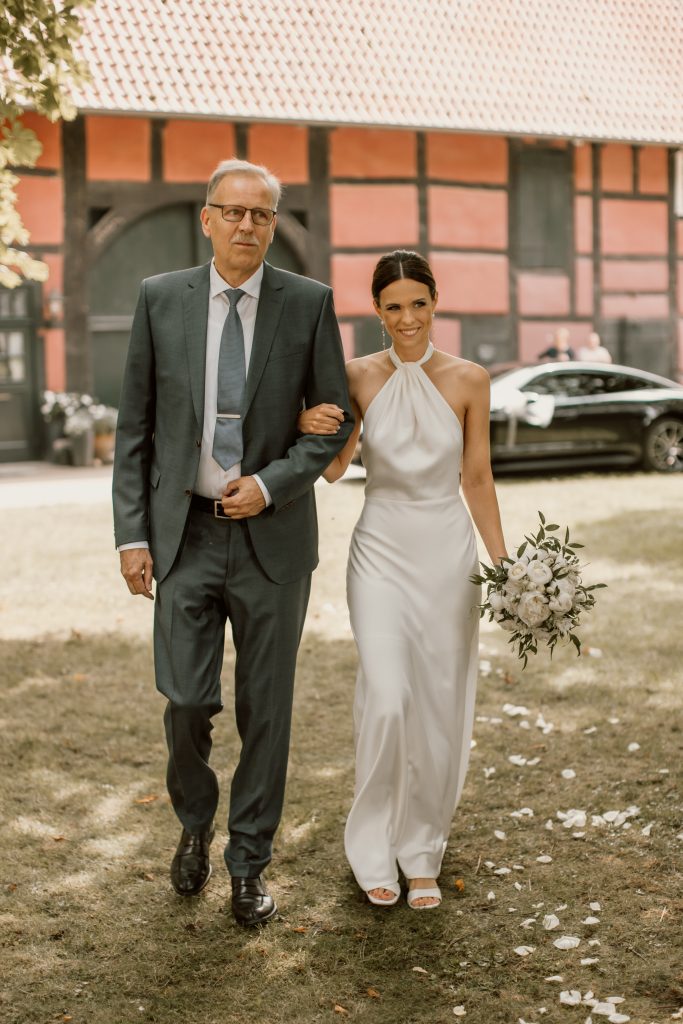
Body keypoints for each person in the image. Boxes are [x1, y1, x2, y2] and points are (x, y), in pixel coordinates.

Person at [112, 158, 353, 927]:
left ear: (273, 224)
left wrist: (273, 482)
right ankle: (194, 822)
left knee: (266, 711)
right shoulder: (160, 299)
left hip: (272, 542)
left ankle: (248, 863)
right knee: (185, 699)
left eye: (261, 214)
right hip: (181, 536)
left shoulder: (308, 303)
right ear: (207, 219)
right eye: (233, 211)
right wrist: (131, 535)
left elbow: (332, 420)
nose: (247, 225)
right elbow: (134, 428)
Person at [298, 250, 507, 910]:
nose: (408, 317)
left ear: (434, 302)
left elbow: (476, 477)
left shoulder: (470, 380)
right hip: (381, 550)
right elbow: (334, 468)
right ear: (377, 311)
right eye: (394, 307)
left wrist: (506, 567)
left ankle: (421, 851)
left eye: (418, 303)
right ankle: (371, 843)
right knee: (387, 696)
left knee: (437, 705)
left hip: (447, 553)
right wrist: (305, 423)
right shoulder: (357, 376)